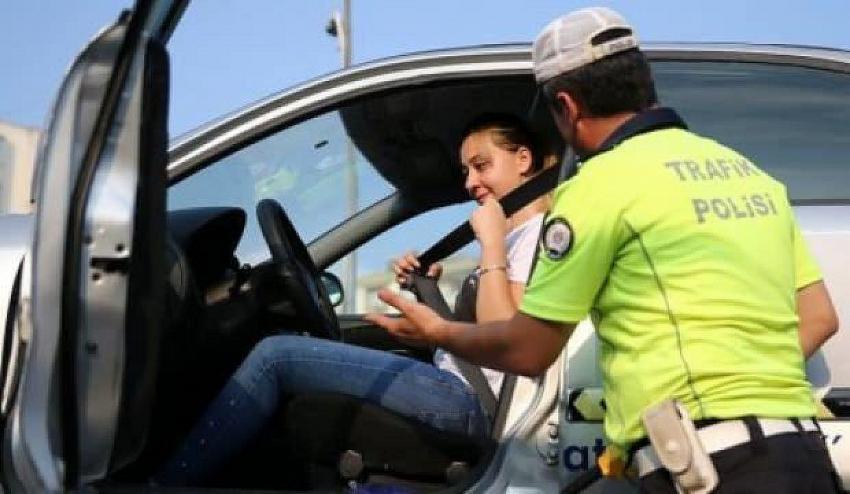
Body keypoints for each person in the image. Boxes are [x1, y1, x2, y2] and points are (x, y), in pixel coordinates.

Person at [367, 7, 840, 493]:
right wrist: (743, 380)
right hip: (800, 453)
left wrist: (438, 331)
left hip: (709, 467)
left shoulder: (599, 187)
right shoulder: (749, 174)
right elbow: (821, 316)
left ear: (567, 107)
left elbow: (530, 350)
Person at [155, 113, 552, 485]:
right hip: (458, 383)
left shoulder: (535, 235)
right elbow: (478, 339)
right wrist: (426, 294)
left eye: (482, 166)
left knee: (277, 357)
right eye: (466, 171)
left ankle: (167, 484)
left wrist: (492, 246)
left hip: (469, 402)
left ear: (523, 159)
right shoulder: (513, 235)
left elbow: (506, 338)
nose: (470, 183)